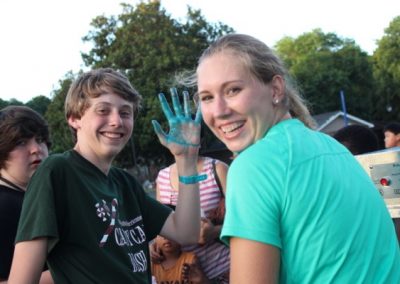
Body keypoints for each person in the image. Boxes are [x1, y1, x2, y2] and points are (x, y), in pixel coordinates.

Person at [190, 33, 400, 283]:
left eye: (233, 90)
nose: (219, 111)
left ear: (276, 89)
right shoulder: (333, 148)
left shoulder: (254, 166)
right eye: (207, 98)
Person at [5, 68, 202, 284]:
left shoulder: (124, 182)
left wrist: (186, 161)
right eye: (103, 110)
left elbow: (187, 232)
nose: (117, 121)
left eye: (125, 112)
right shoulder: (57, 171)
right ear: (74, 118)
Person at [154, 155, 230, 283]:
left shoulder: (217, 169)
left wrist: (215, 232)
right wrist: (156, 247)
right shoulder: (163, 177)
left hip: (226, 271)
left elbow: (246, 221)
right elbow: (162, 225)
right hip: (186, 277)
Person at [0, 106, 52, 283]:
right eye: (21, 142)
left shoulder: (42, 196)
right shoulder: (4, 206)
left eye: (40, 139)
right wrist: (69, 271)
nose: (36, 149)